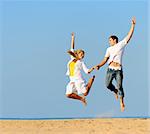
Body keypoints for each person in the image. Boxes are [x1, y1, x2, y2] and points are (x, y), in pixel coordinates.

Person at [95, 17, 136, 111]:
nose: (109, 42)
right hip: (110, 69)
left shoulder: (121, 44)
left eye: (110, 40)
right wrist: (99, 66)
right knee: (107, 85)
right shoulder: (108, 49)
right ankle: (115, 91)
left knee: (120, 85)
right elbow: (105, 59)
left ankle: (122, 102)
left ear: (114, 40)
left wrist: (133, 26)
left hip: (118, 70)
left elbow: (129, 36)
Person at [66, 32, 95, 106]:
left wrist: (92, 68)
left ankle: (90, 82)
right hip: (72, 80)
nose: (82, 56)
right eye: (81, 54)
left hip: (78, 80)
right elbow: (72, 48)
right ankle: (81, 99)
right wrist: (73, 38)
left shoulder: (81, 62)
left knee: (85, 93)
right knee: (68, 95)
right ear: (77, 54)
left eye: (83, 55)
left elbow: (87, 71)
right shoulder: (72, 59)